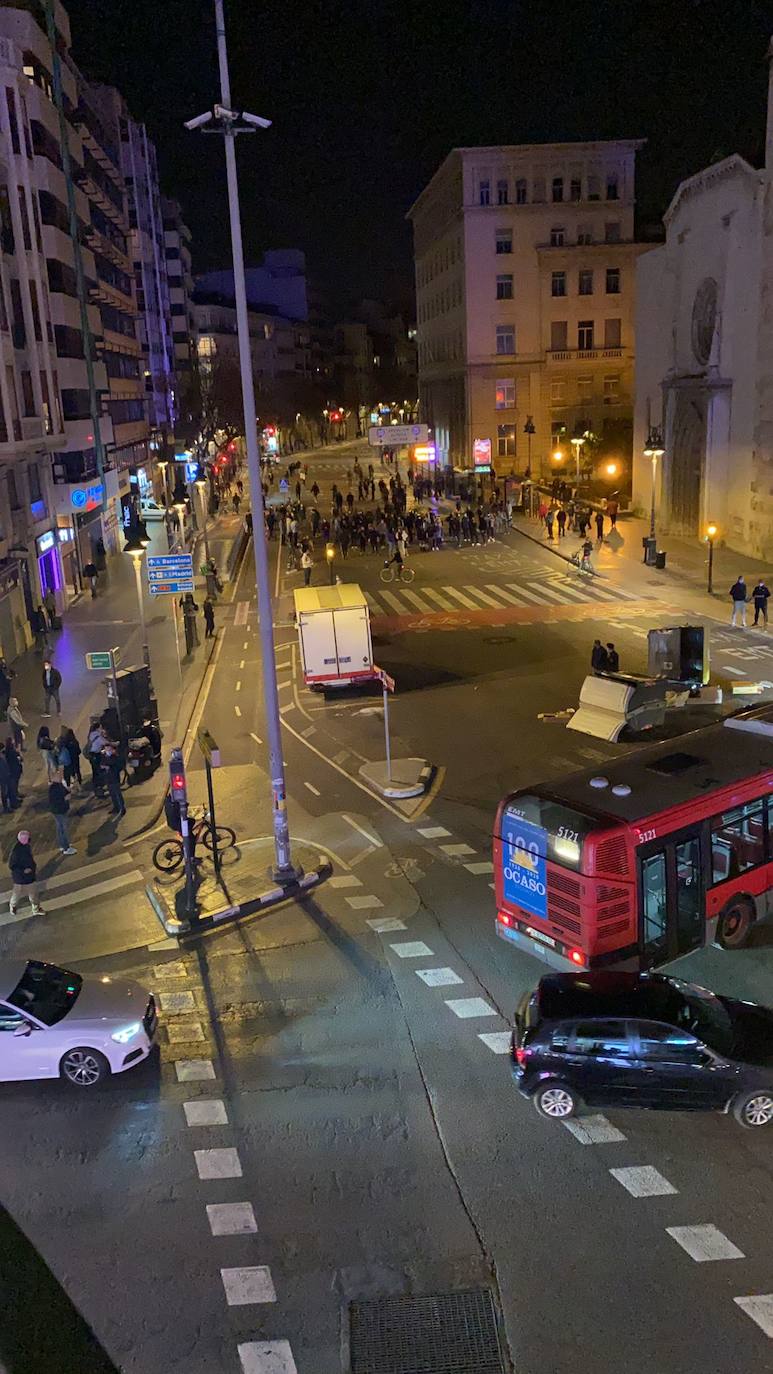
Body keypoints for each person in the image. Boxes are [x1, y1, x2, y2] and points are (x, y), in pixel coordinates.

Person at [8, 831, 44, 918]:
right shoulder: (17, 852)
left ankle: (34, 909)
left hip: (26, 876)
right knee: (21, 893)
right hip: (22, 877)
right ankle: (14, 906)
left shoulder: (24, 847)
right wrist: (24, 870)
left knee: (32, 893)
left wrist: (32, 867)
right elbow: (12, 865)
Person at [48, 769, 76, 856]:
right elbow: (56, 800)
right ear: (53, 778)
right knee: (62, 829)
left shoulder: (58, 785)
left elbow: (66, 791)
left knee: (60, 828)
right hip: (59, 811)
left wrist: (68, 790)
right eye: (58, 776)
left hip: (59, 810)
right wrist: (65, 798)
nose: (60, 777)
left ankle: (62, 844)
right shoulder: (54, 789)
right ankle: (66, 848)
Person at [85, 718, 108, 797]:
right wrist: (115, 743)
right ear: (98, 728)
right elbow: (105, 742)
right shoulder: (98, 736)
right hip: (96, 755)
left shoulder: (91, 734)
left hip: (92, 755)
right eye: (100, 727)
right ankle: (99, 789)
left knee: (95, 771)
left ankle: (96, 787)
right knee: (99, 771)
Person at [102, 745, 125, 818]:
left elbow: (119, 767)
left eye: (108, 749)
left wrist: (109, 767)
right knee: (112, 794)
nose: (107, 750)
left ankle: (122, 808)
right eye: (106, 749)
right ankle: (116, 807)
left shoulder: (115, 757)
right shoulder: (104, 756)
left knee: (118, 794)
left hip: (114, 778)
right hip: (108, 778)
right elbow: (102, 764)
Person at [4, 738, 22, 808]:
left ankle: (16, 799)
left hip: (14, 771)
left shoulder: (8, 752)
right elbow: (19, 758)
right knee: (13, 788)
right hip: (13, 772)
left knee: (14, 787)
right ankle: (14, 803)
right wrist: (19, 752)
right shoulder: (11, 752)